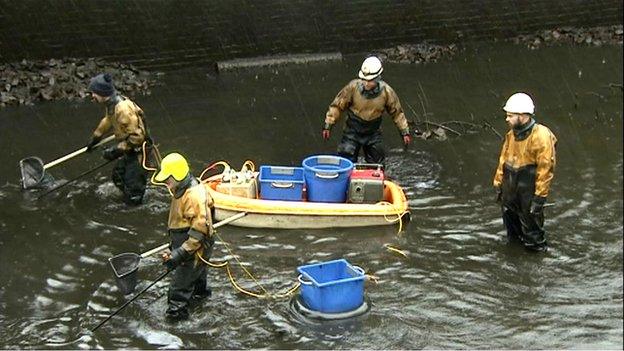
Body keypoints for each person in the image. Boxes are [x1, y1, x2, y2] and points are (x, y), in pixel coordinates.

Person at [493, 92, 557, 252]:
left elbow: (546, 168)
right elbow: (503, 161)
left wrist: (540, 198)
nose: (506, 119)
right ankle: (514, 260)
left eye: (510, 115)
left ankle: (536, 265)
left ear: (522, 116)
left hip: (528, 191)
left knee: (533, 236)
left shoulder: (541, 136)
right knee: (512, 234)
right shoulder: (510, 135)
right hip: (510, 189)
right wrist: (498, 185)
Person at [155, 152, 215, 321]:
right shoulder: (180, 189)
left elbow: (199, 231)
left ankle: (176, 322)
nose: (165, 182)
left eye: (168, 178)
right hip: (189, 244)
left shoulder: (194, 195)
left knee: (177, 291)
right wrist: (172, 248)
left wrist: (180, 253)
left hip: (195, 248)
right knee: (196, 282)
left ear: (179, 175)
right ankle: (201, 305)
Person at [321, 55, 412, 165]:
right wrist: (328, 125)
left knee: (377, 162)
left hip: (373, 132)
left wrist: (404, 132)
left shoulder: (387, 92)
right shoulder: (352, 88)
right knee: (345, 159)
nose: (366, 83)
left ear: (378, 78)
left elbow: (397, 113)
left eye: (370, 80)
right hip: (352, 131)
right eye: (364, 80)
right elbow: (337, 106)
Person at [85, 73, 152, 205]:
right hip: (129, 150)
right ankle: (128, 198)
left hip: (139, 151)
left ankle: (134, 209)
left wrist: (115, 150)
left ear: (102, 93)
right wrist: (95, 139)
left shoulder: (123, 109)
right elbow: (107, 120)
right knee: (118, 176)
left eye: (94, 93)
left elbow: (137, 137)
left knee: (134, 189)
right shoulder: (112, 105)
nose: (92, 96)